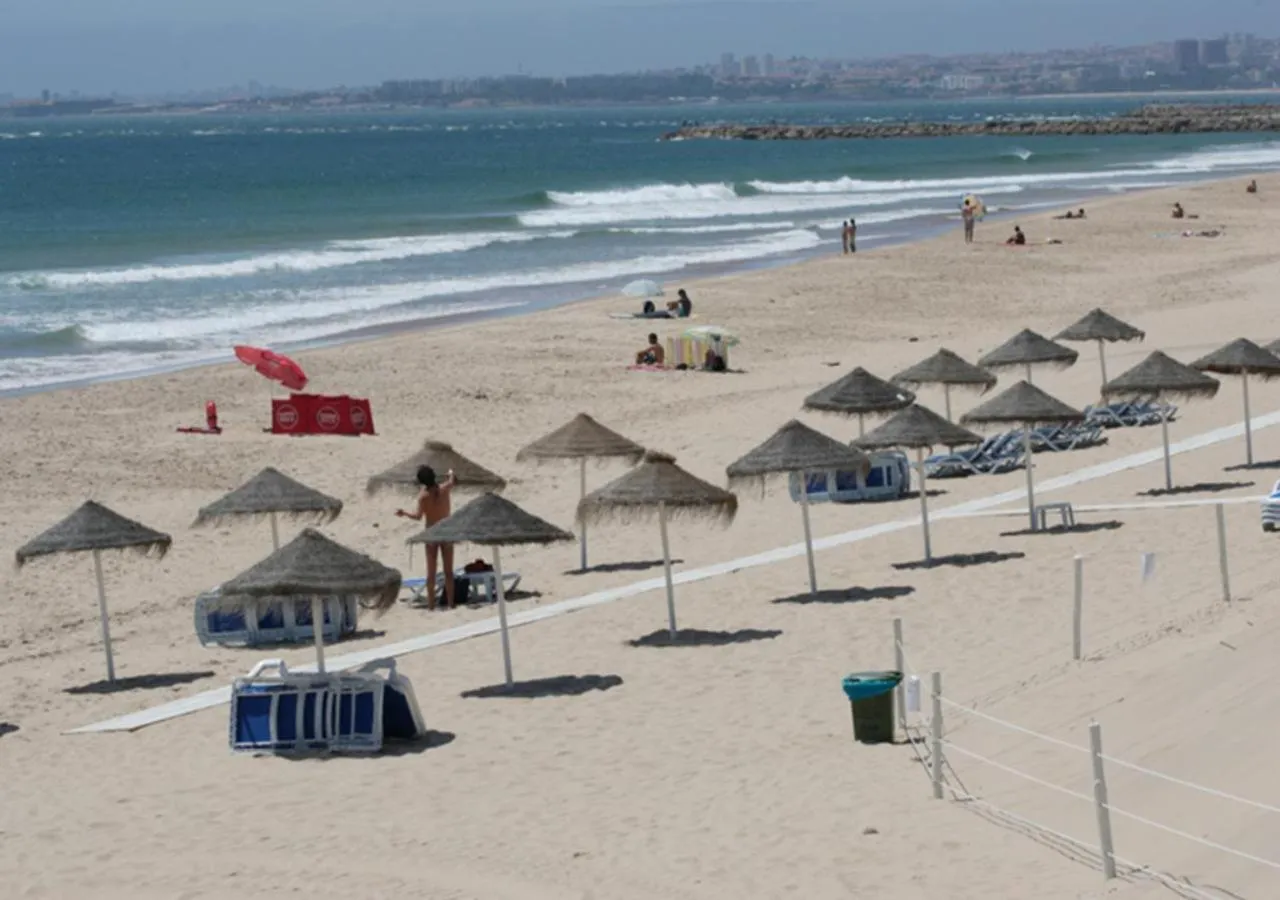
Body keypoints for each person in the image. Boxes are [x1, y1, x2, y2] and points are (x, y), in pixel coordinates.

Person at [395, 466, 457, 610]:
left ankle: (430, 605)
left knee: (431, 572)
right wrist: (450, 473)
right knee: (449, 572)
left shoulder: (423, 497)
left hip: (431, 534)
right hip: (446, 531)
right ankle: (451, 603)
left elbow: (418, 517)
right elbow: (452, 481)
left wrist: (404, 513)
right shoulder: (444, 489)